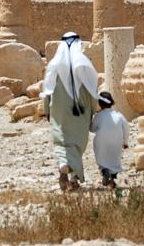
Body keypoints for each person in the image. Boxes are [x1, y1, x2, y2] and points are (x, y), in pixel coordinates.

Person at [41, 31, 99, 191]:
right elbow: (93, 90)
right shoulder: (85, 64)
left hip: (59, 109)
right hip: (81, 111)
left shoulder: (54, 65)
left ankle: (63, 165)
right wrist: (93, 110)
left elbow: (47, 89)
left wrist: (46, 110)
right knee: (77, 143)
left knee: (62, 140)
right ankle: (73, 178)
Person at [90, 91, 130, 189]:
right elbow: (126, 128)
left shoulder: (99, 116)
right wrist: (125, 142)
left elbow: (92, 129)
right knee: (114, 159)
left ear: (100, 103)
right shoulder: (119, 115)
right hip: (117, 141)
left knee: (102, 158)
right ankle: (112, 180)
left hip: (101, 141)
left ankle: (104, 171)